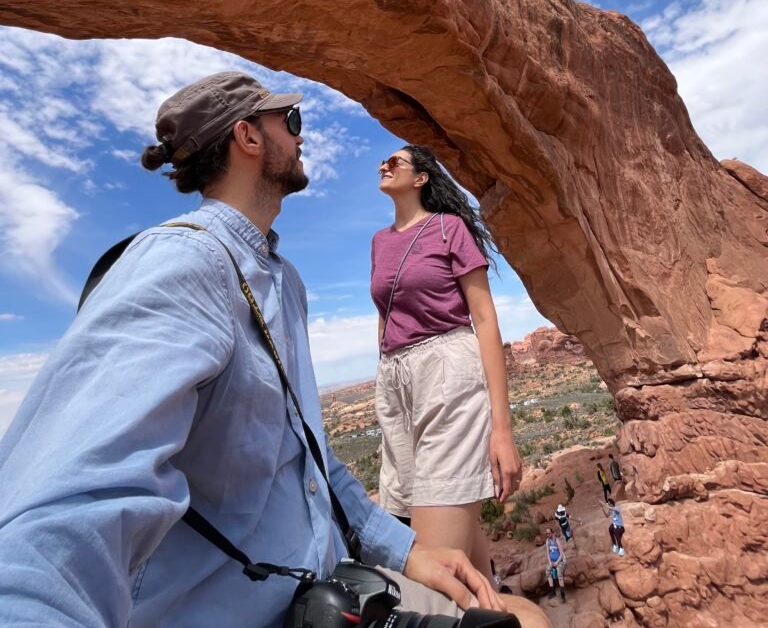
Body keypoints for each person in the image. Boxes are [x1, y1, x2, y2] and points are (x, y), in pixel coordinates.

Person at [0, 72, 548, 628]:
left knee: (523, 616)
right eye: (292, 122)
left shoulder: (281, 282)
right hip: (246, 607)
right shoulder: (180, 267)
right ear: (249, 138)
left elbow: (310, 459)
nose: (302, 137)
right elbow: (51, 530)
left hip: (326, 592)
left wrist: (405, 551)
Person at [370, 144, 522, 582]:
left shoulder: (448, 229)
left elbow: (485, 320)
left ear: (420, 179)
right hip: (397, 384)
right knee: (468, 571)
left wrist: (502, 430)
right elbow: (385, 317)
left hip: (448, 376)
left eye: (394, 161)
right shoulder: (379, 242)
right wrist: (384, 379)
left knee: (432, 566)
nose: (384, 164)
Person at [544, 528, 566, 603]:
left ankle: (563, 595)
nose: (548, 535)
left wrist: (557, 562)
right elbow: (547, 553)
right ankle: (552, 591)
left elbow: (562, 554)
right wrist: (550, 562)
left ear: (552, 533)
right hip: (552, 561)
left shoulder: (557, 540)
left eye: (549, 533)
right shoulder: (547, 541)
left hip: (560, 561)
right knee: (548, 572)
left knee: (559, 573)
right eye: (546, 534)